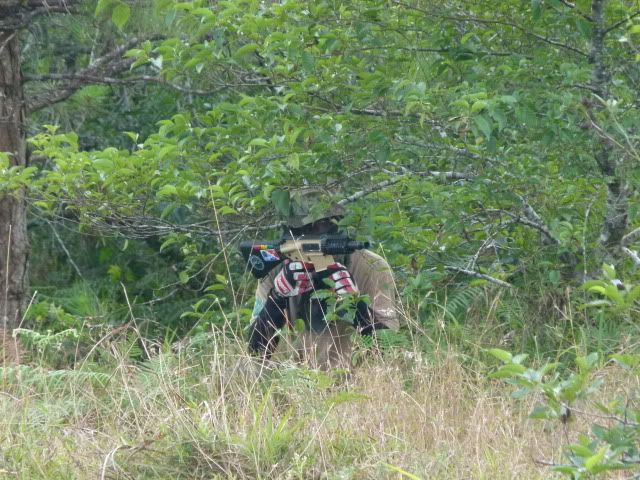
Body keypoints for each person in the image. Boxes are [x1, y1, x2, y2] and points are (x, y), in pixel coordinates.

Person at [247, 187, 398, 369]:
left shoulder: (369, 266)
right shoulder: (277, 267)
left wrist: (356, 306)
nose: (321, 232)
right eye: (310, 228)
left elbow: (389, 350)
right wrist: (277, 298)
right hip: (295, 381)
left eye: (327, 224)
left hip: (359, 383)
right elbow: (255, 351)